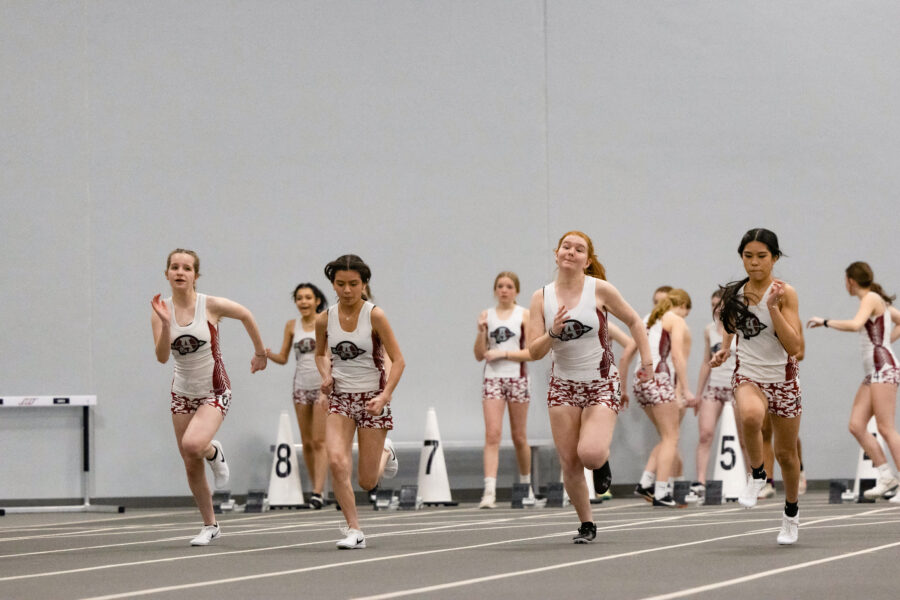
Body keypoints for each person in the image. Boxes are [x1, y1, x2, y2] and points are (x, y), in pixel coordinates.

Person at [527, 231, 653, 543]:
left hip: (601, 383)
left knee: (591, 454)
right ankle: (587, 523)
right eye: (566, 247)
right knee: (569, 461)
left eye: (579, 249)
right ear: (556, 254)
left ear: (587, 260)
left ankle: (600, 461)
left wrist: (647, 362)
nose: (571, 252)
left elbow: (636, 322)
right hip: (563, 386)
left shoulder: (600, 290)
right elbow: (534, 352)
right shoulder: (540, 297)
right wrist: (553, 333)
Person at [150, 249, 267, 546]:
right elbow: (163, 357)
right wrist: (165, 324)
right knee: (190, 460)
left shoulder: (210, 306)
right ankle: (210, 524)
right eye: (174, 267)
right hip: (182, 392)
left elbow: (246, 315)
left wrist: (259, 352)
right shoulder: (159, 308)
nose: (179, 272)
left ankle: (213, 451)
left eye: (186, 268)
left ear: (195, 276)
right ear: (166, 274)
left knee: (194, 444)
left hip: (215, 389)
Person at [710, 228, 804, 545]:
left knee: (787, 455)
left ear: (774, 258)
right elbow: (733, 326)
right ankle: (757, 475)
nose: (754, 263)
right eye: (748, 256)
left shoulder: (785, 292)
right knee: (750, 417)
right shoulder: (735, 294)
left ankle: (791, 514)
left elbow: (796, 348)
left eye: (762, 256)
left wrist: (774, 309)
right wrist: (725, 349)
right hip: (748, 374)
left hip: (783, 379)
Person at [316, 254, 404, 549]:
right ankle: (354, 530)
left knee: (367, 481)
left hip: (372, 400)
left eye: (354, 284)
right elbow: (319, 353)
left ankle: (385, 454)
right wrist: (325, 374)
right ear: (333, 284)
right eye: (340, 284)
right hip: (341, 399)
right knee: (337, 462)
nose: (347, 290)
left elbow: (399, 360)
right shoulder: (324, 318)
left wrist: (385, 395)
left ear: (364, 284)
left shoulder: (375, 316)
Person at [808, 261, 900, 501]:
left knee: (886, 428)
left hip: (884, 369)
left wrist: (825, 321)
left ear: (850, 281)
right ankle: (886, 475)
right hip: (874, 372)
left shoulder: (870, 298)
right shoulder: (877, 301)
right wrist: (886, 340)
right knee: (857, 425)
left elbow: (856, 325)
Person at [621, 289, 696, 507]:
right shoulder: (676, 320)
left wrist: (624, 390)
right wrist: (686, 390)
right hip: (661, 379)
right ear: (682, 306)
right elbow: (677, 356)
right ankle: (661, 491)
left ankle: (646, 482)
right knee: (672, 438)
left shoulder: (647, 320)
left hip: (640, 382)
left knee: (666, 437)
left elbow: (626, 356)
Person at [266, 283, 330, 509]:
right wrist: (266, 354)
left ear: (317, 301)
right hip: (300, 387)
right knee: (308, 442)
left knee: (320, 440)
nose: (303, 302)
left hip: (322, 386)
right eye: (299, 298)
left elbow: (331, 355)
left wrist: (329, 383)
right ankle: (316, 490)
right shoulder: (292, 326)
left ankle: (318, 492)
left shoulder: (325, 322)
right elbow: (283, 357)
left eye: (308, 298)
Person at [474, 271, 534, 508]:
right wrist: (481, 332)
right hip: (493, 378)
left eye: (509, 286)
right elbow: (479, 354)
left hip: (517, 378)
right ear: (495, 290)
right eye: (500, 286)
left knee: (519, 436)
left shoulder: (524, 315)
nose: (504, 290)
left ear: (516, 291)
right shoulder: (486, 316)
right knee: (492, 435)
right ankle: (489, 491)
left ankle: (525, 484)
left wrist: (504, 353)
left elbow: (531, 352)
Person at [692, 290, 741, 498]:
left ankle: (751, 478)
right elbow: (706, 361)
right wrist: (698, 394)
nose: (716, 309)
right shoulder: (709, 330)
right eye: (713, 304)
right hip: (715, 387)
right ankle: (700, 481)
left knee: (744, 438)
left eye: (719, 304)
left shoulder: (740, 329)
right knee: (705, 434)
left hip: (737, 388)